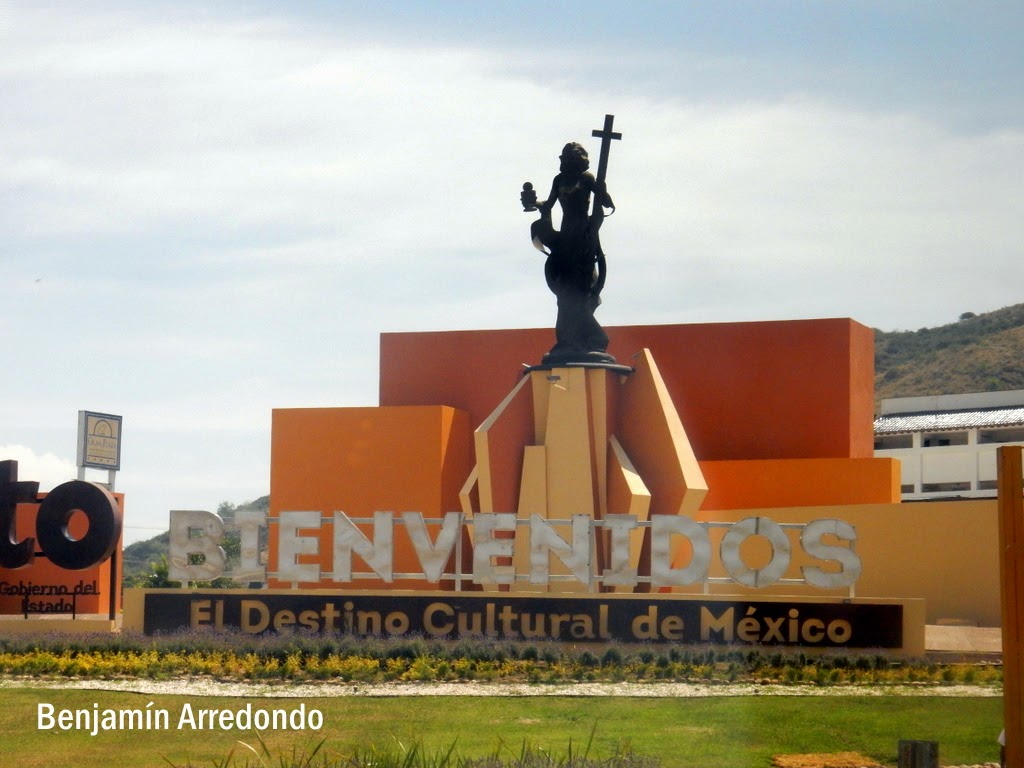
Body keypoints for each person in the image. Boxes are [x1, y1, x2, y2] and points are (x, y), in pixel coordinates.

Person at [522, 142, 616, 363]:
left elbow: (605, 201)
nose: (563, 161)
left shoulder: (587, 178)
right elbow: (549, 203)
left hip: (583, 233)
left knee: (581, 292)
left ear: (577, 158)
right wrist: (533, 202)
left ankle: (595, 339)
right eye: (562, 157)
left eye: (567, 157)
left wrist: (603, 195)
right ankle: (568, 340)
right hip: (565, 234)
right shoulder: (559, 180)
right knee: (565, 294)